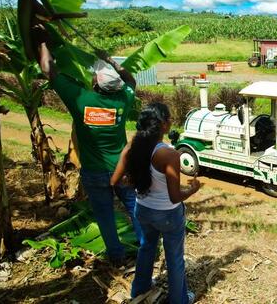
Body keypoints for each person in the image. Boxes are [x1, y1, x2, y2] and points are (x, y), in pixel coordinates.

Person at [33, 24, 142, 264]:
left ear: (96, 84)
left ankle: (116, 256)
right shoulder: (122, 100)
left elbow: (49, 71)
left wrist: (42, 42)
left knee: (104, 215)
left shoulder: (81, 99)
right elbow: (131, 81)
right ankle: (146, 248)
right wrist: (110, 60)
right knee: (135, 209)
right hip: (121, 168)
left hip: (94, 172)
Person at [111, 103, 200, 303]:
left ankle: (139, 289)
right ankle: (179, 300)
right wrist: (193, 189)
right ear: (162, 124)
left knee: (146, 247)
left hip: (142, 210)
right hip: (167, 215)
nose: (170, 121)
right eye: (169, 118)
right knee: (174, 258)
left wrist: (134, 181)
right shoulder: (168, 154)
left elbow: (114, 181)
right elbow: (175, 196)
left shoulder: (132, 146)